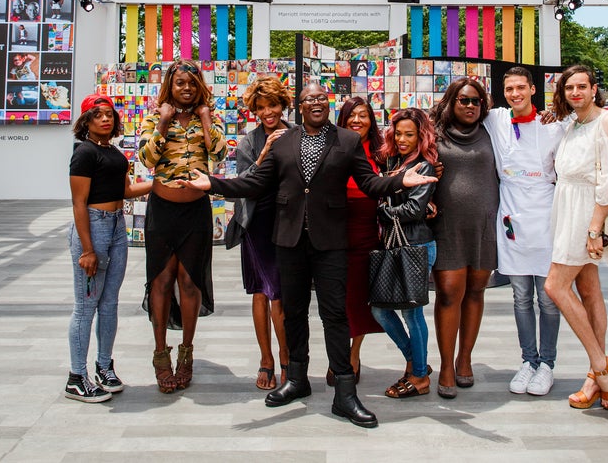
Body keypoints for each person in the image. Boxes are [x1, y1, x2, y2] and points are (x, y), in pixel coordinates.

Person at [179, 82, 437, 429]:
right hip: (288, 240)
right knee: (294, 313)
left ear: (327, 104)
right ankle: (296, 379)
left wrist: (398, 182)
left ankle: (345, 393)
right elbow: (255, 183)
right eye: (308, 99)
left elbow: (368, 183)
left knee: (335, 315)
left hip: (331, 241)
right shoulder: (283, 141)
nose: (315, 102)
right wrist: (214, 184)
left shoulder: (346, 141)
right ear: (299, 107)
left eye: (321, 98)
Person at [545, 65, 608, 410]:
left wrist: (595, 229)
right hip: (566, 208)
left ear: (595, 89)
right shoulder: (572, 125)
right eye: (570, 88)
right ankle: (594, 377)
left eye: (583, 86)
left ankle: (601, 366)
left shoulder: (606, 121)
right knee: (589, 289)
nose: (576, 92)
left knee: (554, 286)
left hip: (587, 212)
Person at [138, 59, 227, 393]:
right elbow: (146, 160)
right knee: (161, 281)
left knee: (190, 282)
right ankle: (161, 355)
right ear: (170, 86)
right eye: (180, 83)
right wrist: (162, 122)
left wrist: (205, 120)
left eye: (192, 83)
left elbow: (219, 153)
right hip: (162, 212)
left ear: (199, 85)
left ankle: (186, 355)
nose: (186, 88)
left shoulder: (210, 117)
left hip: (196, 213)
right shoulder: (154, 116)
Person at [483, 66, 565, 396]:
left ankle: (547, 364)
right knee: (520, 298)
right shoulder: (495, 120)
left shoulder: (553, 125)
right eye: (509, 89)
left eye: (521, 87)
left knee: (548, 299)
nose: (515, 94)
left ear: (533, 89)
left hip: (545, 214)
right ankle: (527, 361)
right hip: (512, 216)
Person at [66, 94, 152, 403]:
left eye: (109, 115)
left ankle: (104, 367)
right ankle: (76, 377)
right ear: (86, 121)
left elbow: (127, 191)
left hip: (117, 226)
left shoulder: (114, 152)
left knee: (110, 302)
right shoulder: (84, 154)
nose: (106, 119)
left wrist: (161, 183)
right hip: (94, 226)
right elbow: (79, 203)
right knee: (87, 305)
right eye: (98, 115)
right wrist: (87, 250)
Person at [429, 77, 499, 398]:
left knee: (475, 292)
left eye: (476, 101)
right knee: (447, 294)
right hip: (446, 226)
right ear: (451, 102)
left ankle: (465, 359)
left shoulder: (493, 132)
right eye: (464, 100)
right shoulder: (434, 133)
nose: (470, 106)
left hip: (484, 227)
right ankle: (445, 365)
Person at [229, 76, 291, 391]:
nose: (268, 112)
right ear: (254, 109)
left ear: (283, 105)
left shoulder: (297, 133)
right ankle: (273, 360)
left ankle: (286, 356)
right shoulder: (248, 143)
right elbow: (244, 184)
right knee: (264, 292)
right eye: (262, 107)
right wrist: (266, 151)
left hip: (290, 222)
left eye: (274, 105)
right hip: (257, 223)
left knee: (283, 293)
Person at [372, 108, 438, 398]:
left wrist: (383, 213)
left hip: (417, 244)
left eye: (409, 134)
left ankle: (420, 377)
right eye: (398, 133)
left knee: (412, 312)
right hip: (395, 244)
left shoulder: (424, 166)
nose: (401, 139)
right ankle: (417, 360)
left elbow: (415, 209)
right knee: (380, 309)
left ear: (420, 135)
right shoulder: (392, 161)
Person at [333, 97, 384, 383]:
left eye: (363, 116)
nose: (357, 121)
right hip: (336, 229)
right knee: (336, 299)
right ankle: (338, 354)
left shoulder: (381, 152)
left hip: (368, 231)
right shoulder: (334, 146)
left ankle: (353, 354)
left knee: (358, 297)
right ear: (342, 119)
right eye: (352, 116)